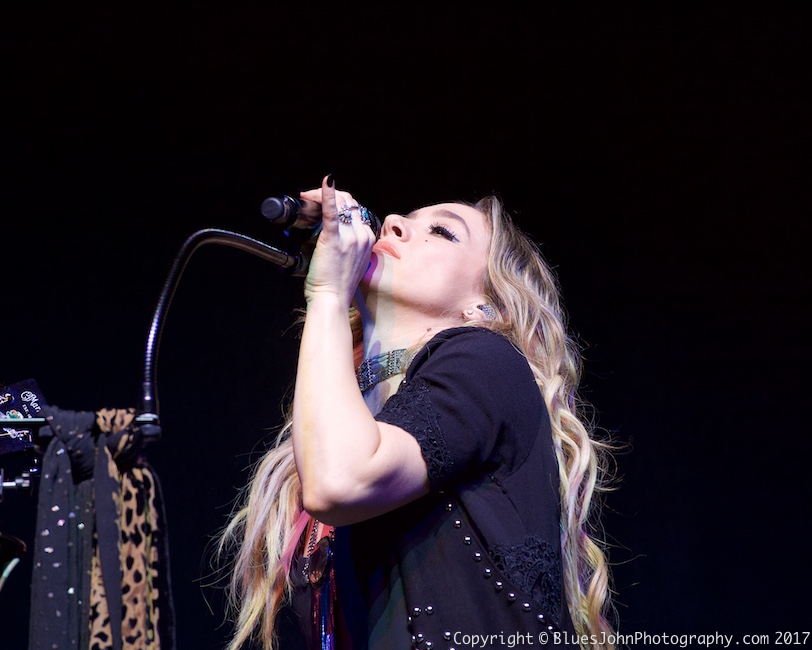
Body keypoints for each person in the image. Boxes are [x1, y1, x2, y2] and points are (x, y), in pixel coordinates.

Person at [217, 175, 618, 650]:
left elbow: (340, 480)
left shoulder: (487, 360)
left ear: (484, 307)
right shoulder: (356, 413)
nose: (391, 223)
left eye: (442, 232)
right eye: (404, 219)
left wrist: (326, 295)